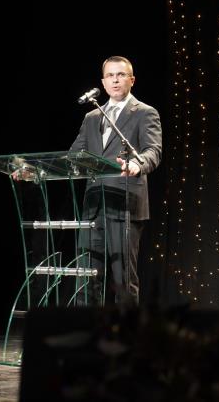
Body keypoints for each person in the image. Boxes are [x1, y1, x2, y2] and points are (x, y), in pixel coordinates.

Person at [70, 56, 162, 306]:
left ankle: (127, 328)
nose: (115, 80)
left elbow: (153, 151)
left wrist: (137, 165)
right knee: (87, 278)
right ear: (103, 82)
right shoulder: (91, 117)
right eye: (110, 75)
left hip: (125, 204)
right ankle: (86, 327)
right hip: (93, 207)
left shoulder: (145, 113)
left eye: (121, 75)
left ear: (132, 80)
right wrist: (35, 171)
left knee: (123, 280)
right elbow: (74, 156)